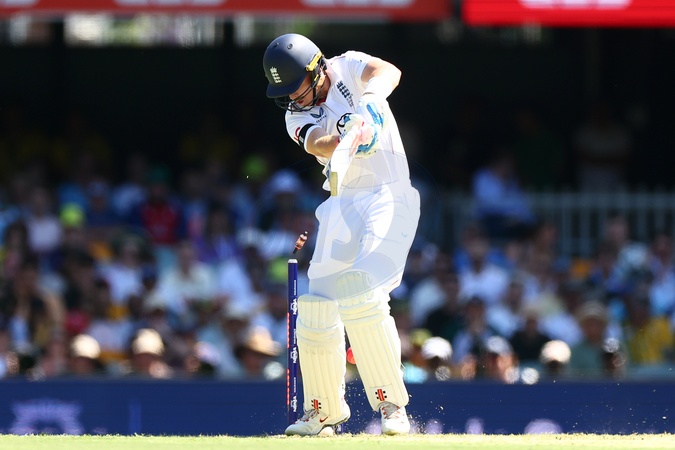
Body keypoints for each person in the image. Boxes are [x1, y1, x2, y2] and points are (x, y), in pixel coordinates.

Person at [263, 33, 420, 436]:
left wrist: (370, 103)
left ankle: (391, 406)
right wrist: (348, 136)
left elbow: (388, 71)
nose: (292, 98)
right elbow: (319, 143)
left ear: (316, 69)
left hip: (389, 194)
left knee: (361, 291)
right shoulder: (295, 116)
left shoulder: (346, 65)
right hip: (342, 200)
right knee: (316, 305)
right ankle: (322, 411)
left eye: (296, 87)